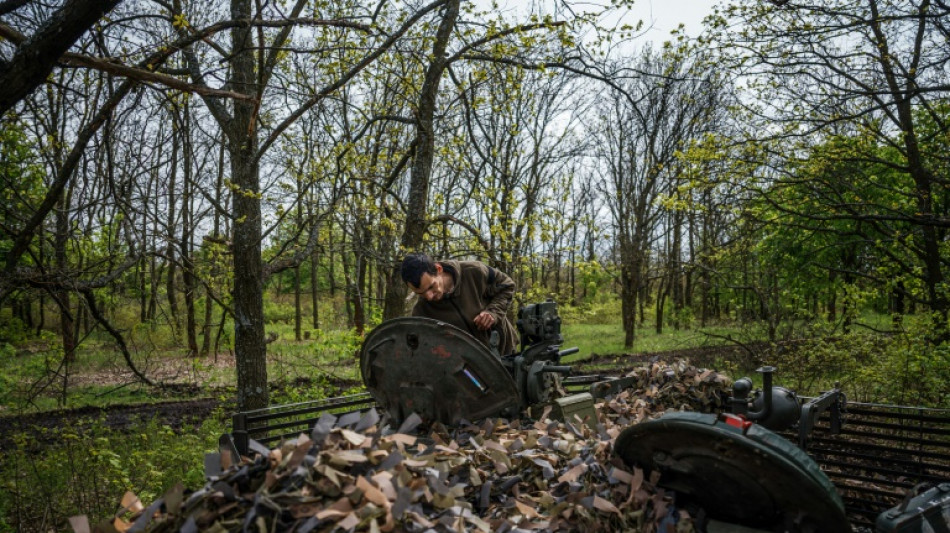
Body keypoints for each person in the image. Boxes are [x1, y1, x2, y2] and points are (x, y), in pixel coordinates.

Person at [400, 252, 519, 355]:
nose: (429, 297)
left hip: (505, 353)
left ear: (438, 269)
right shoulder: (421, 312)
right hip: (468, 371)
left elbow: (507, 285)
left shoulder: (474, 272)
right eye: (421, 293)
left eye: (431, 286)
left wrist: (493, 313)